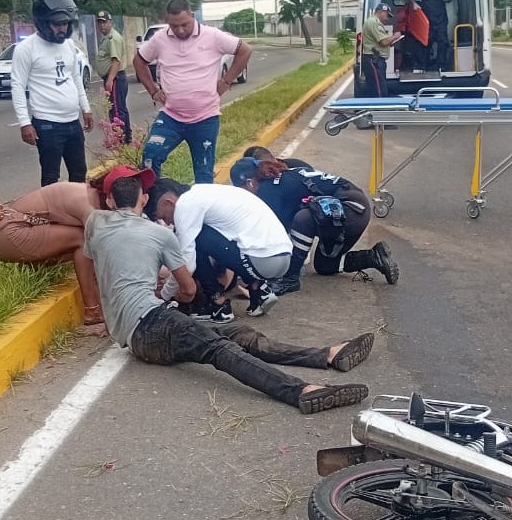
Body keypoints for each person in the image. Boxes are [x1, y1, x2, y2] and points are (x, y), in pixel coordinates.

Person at [83, 171, 369, 415]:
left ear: (109, 201)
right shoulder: (160, 235)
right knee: (219, 349)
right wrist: (173, 297)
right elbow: (188, 288)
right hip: (150, 323)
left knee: (238, 334)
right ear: (143, 199)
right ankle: (299, 391)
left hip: (142, 330)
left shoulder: (94, 224)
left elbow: (89, 208)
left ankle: (326, 355)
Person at [0, 166, 146, 333]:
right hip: (9, 234)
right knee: (82, 240)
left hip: (11, 232)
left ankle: (31, 265)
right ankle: (93, 312)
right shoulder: (87, 206)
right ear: (111, 197)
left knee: (81, 242)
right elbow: (107, 249)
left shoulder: (93, 197)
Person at [230, 151, 400, 295]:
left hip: (348, 209)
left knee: (303, 219)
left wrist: (251, 274)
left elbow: (272, 233)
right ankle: (373, 257)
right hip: (355, 208)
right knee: (325, 266)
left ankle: (290, 279)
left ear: (250, 182)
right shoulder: (288, 169)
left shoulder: (268, 189)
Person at [133, 0, 253, 183]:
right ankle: (152, 203)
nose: (180, 30)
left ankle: (203, 210)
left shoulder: (213, 36)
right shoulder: (160, 39)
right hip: (171, 117)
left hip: (205, 118)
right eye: (174, 26)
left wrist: (227, 81)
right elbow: (139, 61)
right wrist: (153, 90)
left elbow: (244, 50)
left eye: (184, 25)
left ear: (192, 15)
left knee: (203, 173)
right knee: (150, 156)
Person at [145, 179, 291, 321]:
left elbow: (186, 265)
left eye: (163, 217)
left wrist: (164, 295)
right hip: (282, 256)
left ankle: (218, 305)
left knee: (194, 240)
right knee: (202, 235)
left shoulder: (185, 205)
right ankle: (259, 289)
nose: (168, 222)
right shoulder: (205, 192)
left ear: (168, 202)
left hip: (263, 260)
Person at [10, 0, 93, 186]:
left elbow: (75, 78)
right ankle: (52, 216)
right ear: (43, 23)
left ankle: (75, 214)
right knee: (50, 178)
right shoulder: (27, 48)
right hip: (47, 125)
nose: (62, 29)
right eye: (57, 25)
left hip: (73, 122)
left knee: (79, 174)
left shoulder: (69, 45)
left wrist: (86, 108)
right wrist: (24, 122)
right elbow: (18, 86)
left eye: (66, 24)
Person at [94, 11, 131, 144]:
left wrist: (110, 80)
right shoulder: (107, 38)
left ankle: (120, 139)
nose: (102, 25)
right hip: (114, 78)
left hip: (115, 78)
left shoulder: (112, 38)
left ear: (111, 23)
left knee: (116, 110)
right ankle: (126, 138)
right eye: (100, 22)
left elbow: (116, 61)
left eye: (105, 22)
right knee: (119, 108)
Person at [410, 0, 453, 70]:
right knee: (425, 42)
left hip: (440, 19)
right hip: (426, 19)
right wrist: (413, 3)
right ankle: (423, 65)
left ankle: (441, 65)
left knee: (442, 42)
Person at [360, 3, 402, 98]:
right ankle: (379, 111)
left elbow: (382, 43)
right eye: (387, 14)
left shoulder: (375, 23)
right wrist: (395, 36)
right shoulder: (373, 23)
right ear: (381, 11)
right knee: (379, 91)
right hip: (374, 60)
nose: (387, 18)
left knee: (378, 88)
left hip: (376, 60)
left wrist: (392, 41)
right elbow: (383, 42)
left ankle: (378, 110)